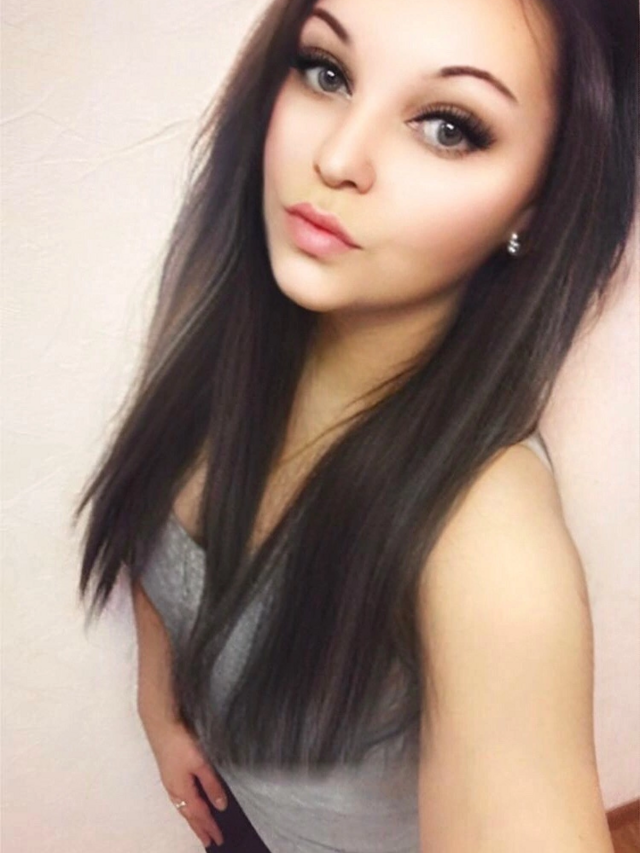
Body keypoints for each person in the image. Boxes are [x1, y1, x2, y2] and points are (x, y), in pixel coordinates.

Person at [74, 0, 637, 849]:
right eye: (327, 72)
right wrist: (163, 708)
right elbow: (164, 548)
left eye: (449, 127)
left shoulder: (487, 537)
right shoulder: (223, 329)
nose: (336, 158)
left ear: (536, 205)